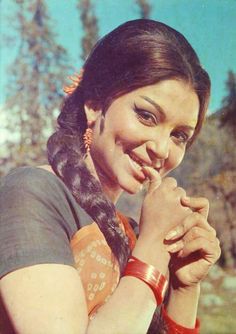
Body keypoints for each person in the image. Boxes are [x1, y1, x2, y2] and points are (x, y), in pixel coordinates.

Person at [0, 19, 221, 334]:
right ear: (94, 103)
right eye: (146, 115)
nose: (161, 148)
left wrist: (185, 287)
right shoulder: (32, 193)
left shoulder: (132, 234)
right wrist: (155, 246)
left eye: (179, 135)